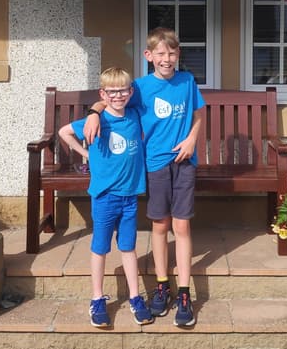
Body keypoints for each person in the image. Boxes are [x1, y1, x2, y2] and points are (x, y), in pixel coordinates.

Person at [84, 28, 205, 327]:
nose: (167, 59)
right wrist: (93, 113)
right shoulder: (139, 86)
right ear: (149, 56)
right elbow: (112, 98)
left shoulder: (187, 81)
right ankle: (162, 285)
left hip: (185, 161)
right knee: (161, 225)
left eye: (172, 53)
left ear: (178, 55)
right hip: (155, 164)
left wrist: (192, 139)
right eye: (161, 54)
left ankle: (185, 292)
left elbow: (200, 113)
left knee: (182, 225)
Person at [58, 67, 153, 328]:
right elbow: (64, 132)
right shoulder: (97, 121)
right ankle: (97, 299)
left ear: (130, 92)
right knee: (100, 248)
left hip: (130, 196)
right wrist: (85, 153)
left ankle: (135, 297)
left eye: (123, 90)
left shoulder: (134, 114)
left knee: (129, 247)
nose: (118, 95)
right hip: (104, 196)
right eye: (111, 92)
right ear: (103, 93)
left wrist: (95, 109)